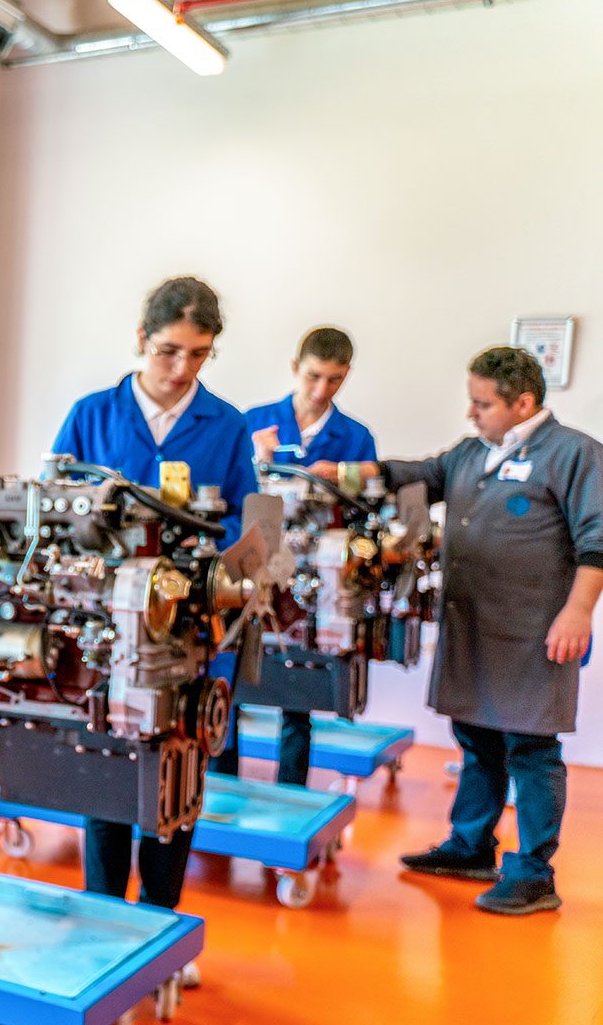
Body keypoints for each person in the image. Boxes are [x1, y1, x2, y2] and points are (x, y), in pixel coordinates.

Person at [313, 346, 603, 916]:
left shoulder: (574, 455)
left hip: (534, 631)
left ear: (523, 403)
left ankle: (534, 874)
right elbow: (415, 475)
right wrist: (345, 472)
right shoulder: (474, 453)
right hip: (472, 623)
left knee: (531, 748)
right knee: (476, 739)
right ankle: (470, 847)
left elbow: (597, 541)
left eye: (482, 403)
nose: (471, 413)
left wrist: (578, 613)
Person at [52, 277, 256, 929]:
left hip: (189, 638)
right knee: (106, 775)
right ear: (142, 339)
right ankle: (104, 919)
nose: (182, 368)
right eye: (170, 351)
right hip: (105, 636)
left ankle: (163, 925)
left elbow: (248, 536)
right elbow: (54, 514)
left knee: (177, 778)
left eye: (199, 355)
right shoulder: (93, 414)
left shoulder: (225, 426)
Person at [231, 326, 378, 787]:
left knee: (298, 689)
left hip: (311, 581)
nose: (321, 390)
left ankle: (292, 790)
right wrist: (258, 459)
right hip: (252, 571)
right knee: (232, 680)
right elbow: (227, 497)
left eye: (334, 380)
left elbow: (366, 513)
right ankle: (218, 787)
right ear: (295, 367)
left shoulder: (354, 438)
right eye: (313, 376)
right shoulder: (254, 422)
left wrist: (343, 479)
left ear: (346, 376)